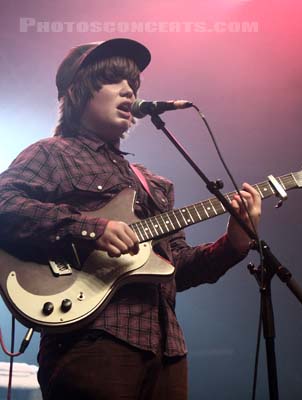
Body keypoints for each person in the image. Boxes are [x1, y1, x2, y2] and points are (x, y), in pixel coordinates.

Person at [0, 38, 261, 400]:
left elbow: (177, 268)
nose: (128, 90)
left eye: (134, 84)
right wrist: (93, 229)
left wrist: (234, 242)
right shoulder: (53, 154)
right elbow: (5, 204)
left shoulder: (153, 183)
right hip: (92, 341)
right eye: (112, 79)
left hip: (167, 350)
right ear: (78, 91)